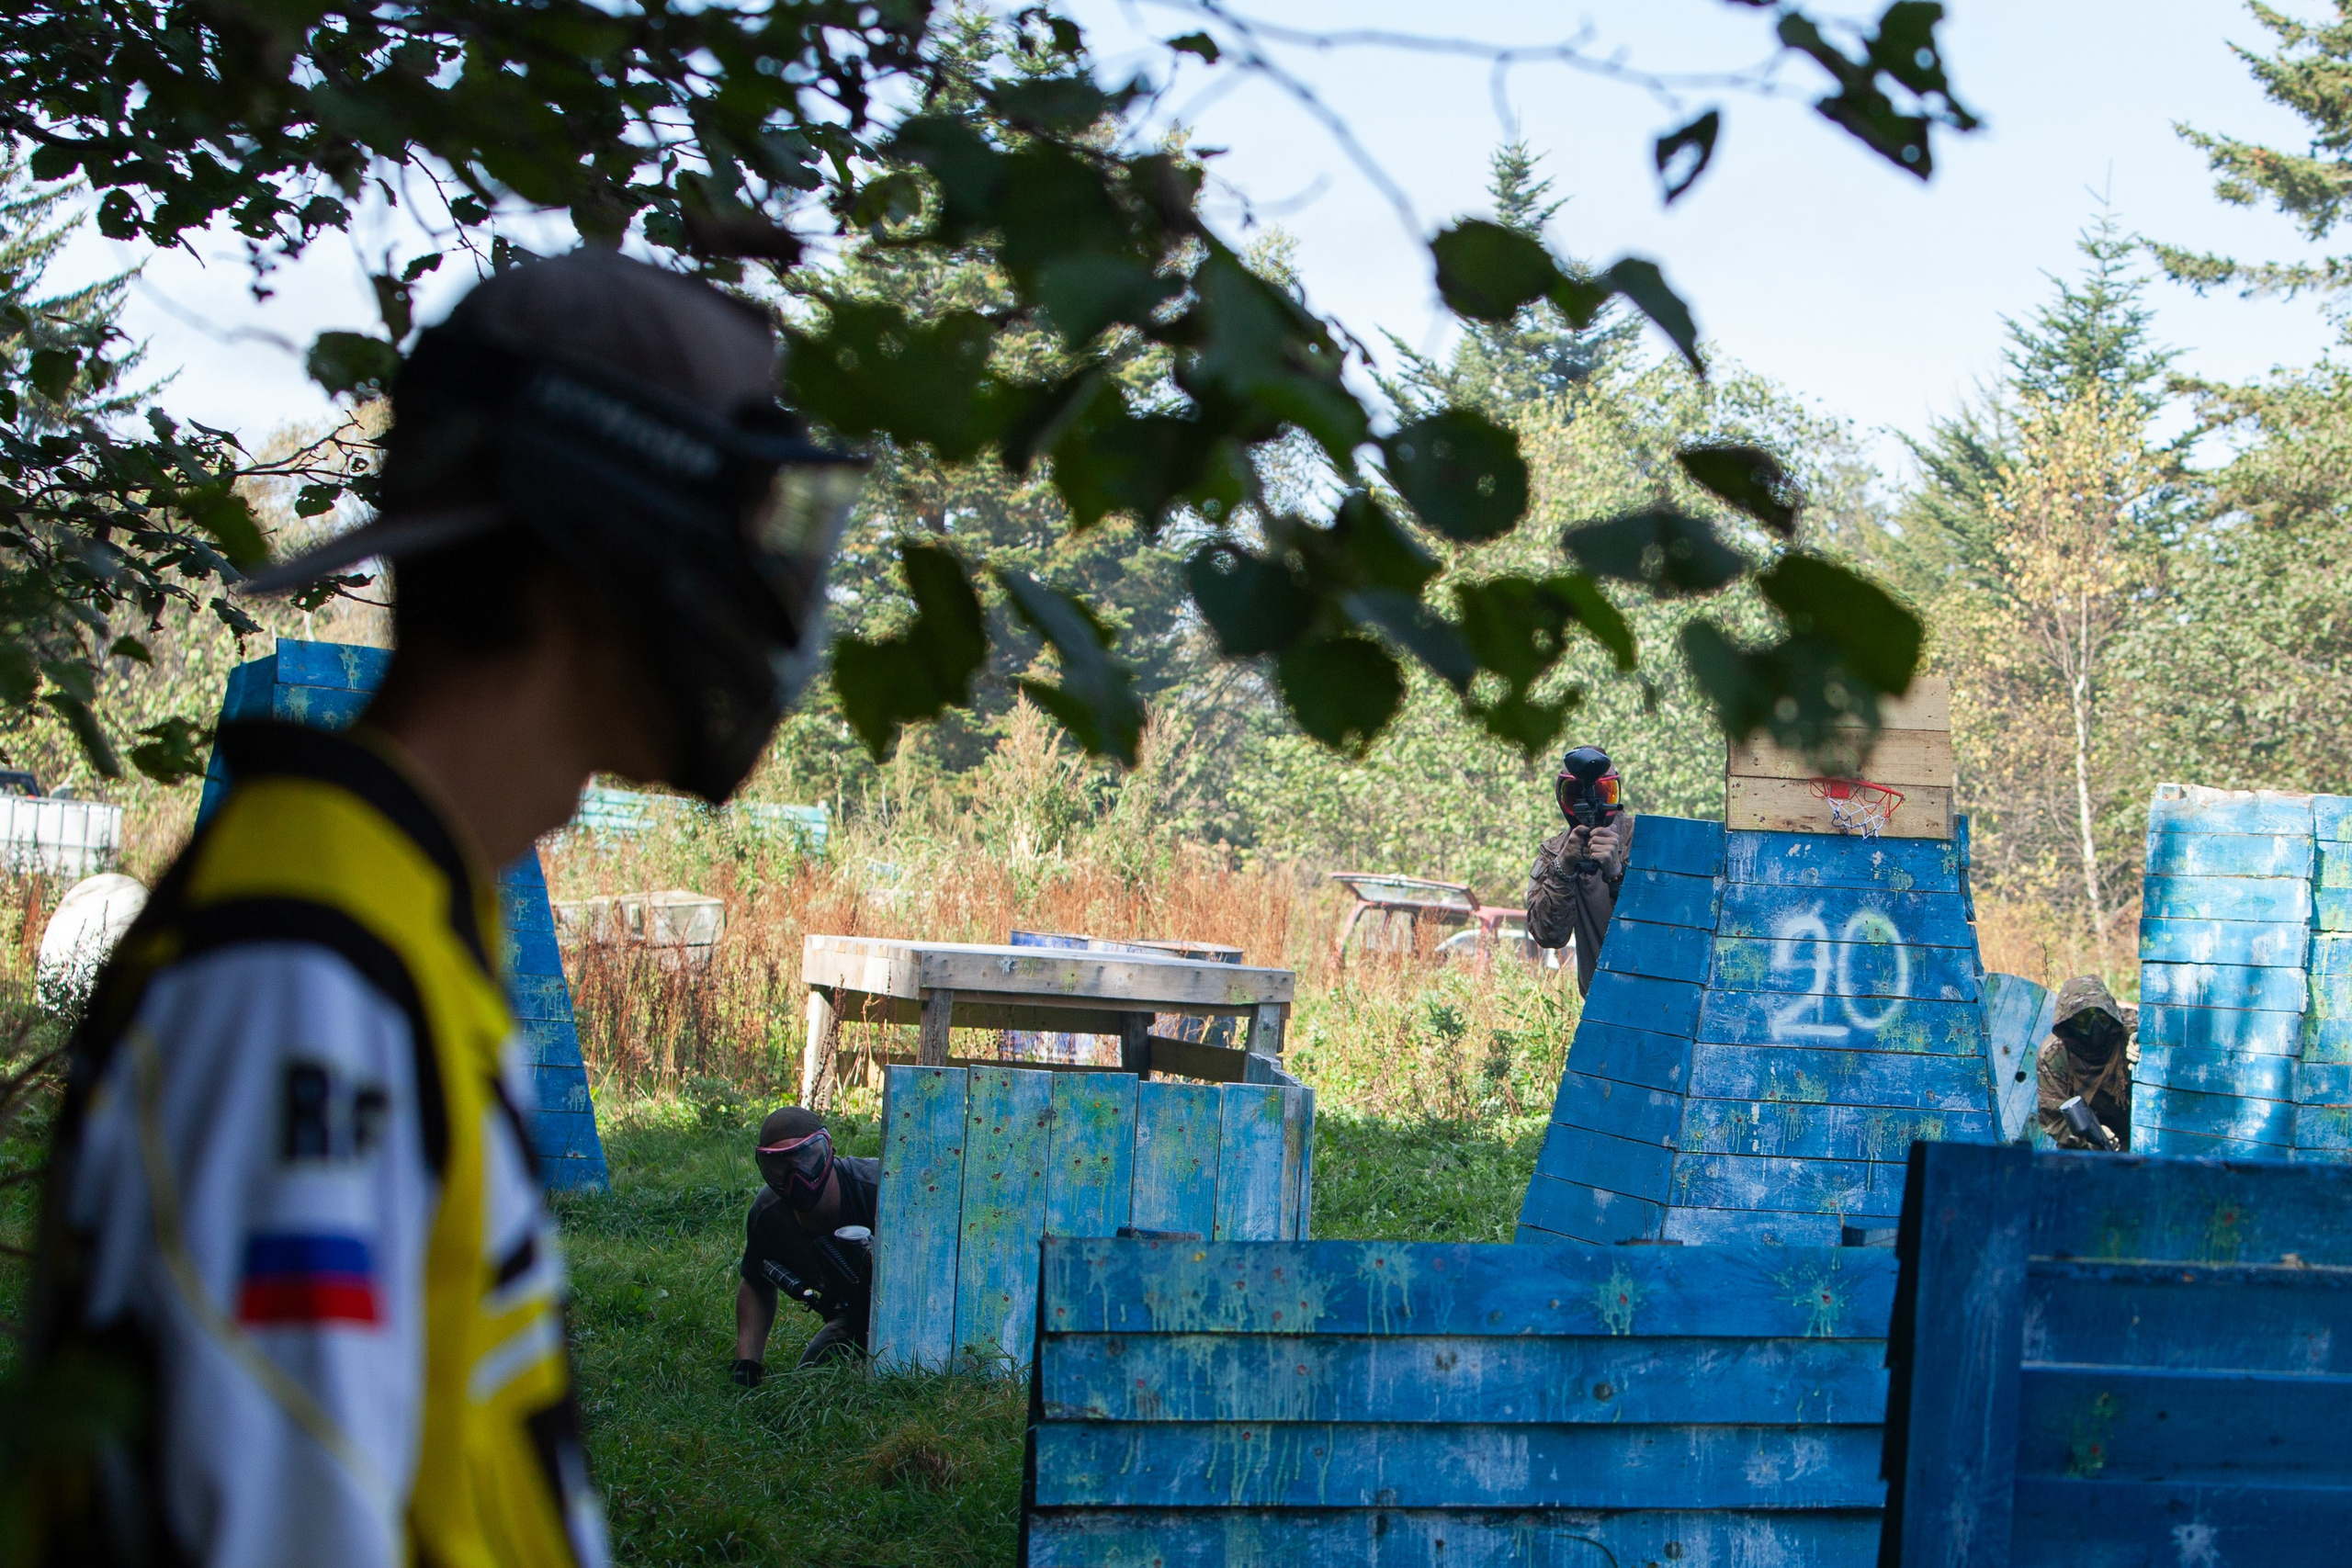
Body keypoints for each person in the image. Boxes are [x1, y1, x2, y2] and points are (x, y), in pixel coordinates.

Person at [26, 250, 862, 1567]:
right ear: (596, 552)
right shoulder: (304, 973)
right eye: (738, 536)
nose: (772, 603)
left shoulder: (401, 915)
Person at [731, 1107, 881, 1383]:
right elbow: (756, 1282)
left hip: (921, 1314)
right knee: (810, 1381)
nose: (796, 1175)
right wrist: (747, 1365)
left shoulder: (880, 1189)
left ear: (829, 1150)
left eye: (807, 1156)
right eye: (779, 1165)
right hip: (851, 1321)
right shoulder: (768, 1214)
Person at [1526, 746, 1635, 995]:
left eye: (1603, 792)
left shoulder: (1643, 840)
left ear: (1616, 795)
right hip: (1599, 1001)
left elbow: (1662, 927)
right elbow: (1548, 936)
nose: (1589, 803)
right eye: (1575, 794)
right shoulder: (1554, 852)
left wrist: (1617, 874)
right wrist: (1563, 867)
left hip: (1654, 997)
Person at [2037, 976, 2135, 1150]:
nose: (2094, 1026)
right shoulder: (2055, 1053)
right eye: (2082, 1020)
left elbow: (2172, 1040)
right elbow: (2053, 1118)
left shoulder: (2130, 1029)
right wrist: (2091, 1137)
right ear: (2068, 1023)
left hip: (2136, 1132)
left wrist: (2145, 1045)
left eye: (2101, 1017)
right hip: (2083, 1142)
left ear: (2110, 1013)